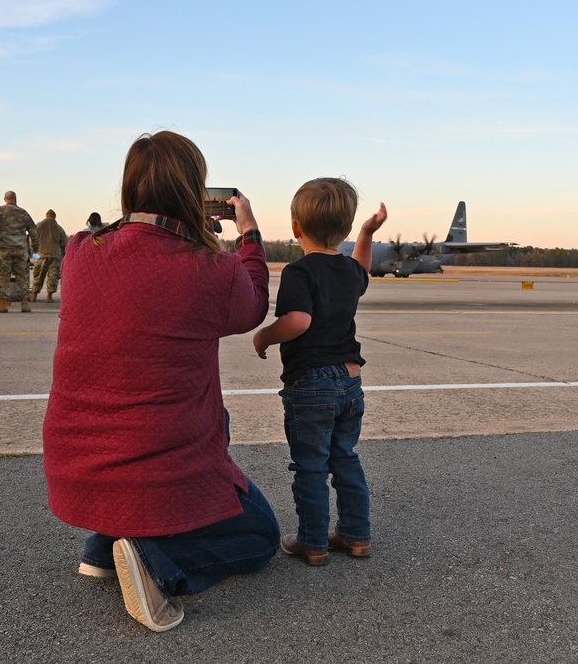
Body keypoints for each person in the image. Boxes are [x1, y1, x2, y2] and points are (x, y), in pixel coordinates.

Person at [43, 130, 279, 633]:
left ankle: (105, 544)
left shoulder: (80, 250)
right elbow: (254, 303)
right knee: (261, 537)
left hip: (78, 462)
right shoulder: (210, 268)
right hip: (156, 464)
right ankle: (157, 562)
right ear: (195, 195)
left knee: (151, 403)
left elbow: (129, 245)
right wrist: (249, 231)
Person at [253, 178, 387, 566]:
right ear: (344, 231)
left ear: (296, 228)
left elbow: (297, 321)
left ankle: (313, 542)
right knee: (345, 457)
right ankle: (356, 535)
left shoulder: (299, 272)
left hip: (312, 383)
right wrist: (367, 233)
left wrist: (264, 336)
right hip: (350, 380)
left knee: (310, 465)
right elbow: (362, 268)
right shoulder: (348, 270)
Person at [0, 191, 38, 312]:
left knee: (4, 277)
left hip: (5, 249)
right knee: (22, 277)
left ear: (5, 199)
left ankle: (3, 304)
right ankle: (24, 304)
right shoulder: (23, 213)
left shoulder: (0, 211)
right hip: (21, 250)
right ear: (16, 199)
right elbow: (33, 231)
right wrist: (35, 246)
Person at [30, 209, 68, 303]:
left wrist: (34, 251)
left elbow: (32, 238)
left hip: (39, 255)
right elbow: (65, 243)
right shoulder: (59, 228)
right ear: (54, 216)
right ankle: (49, 296)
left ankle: (34, 295)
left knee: (38, 275)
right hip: (55, 255)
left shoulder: (38, 225)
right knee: (53, 277)